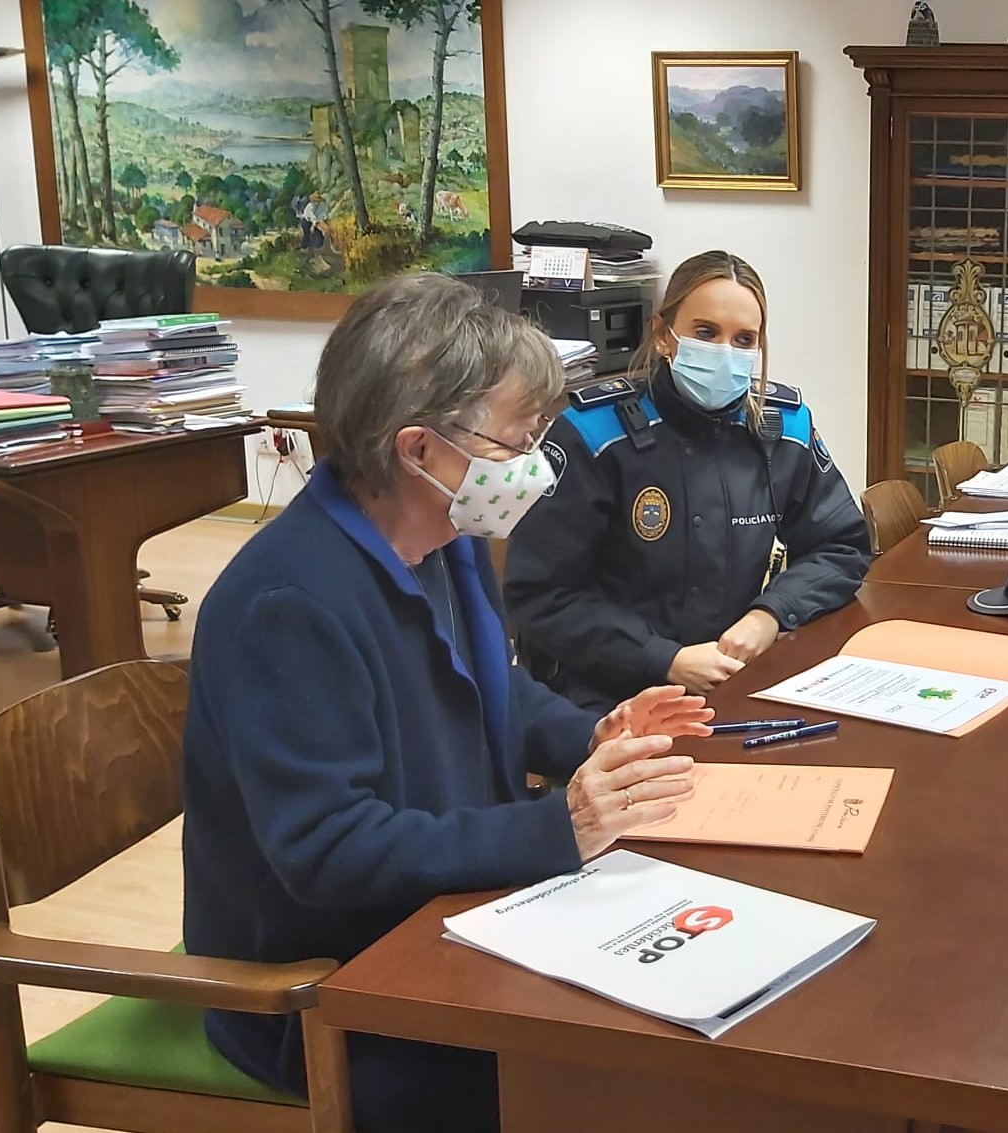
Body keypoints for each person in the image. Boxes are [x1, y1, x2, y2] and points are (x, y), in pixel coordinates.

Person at [181, 273, 714, 1133]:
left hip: (447, 926)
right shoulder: (289, 604)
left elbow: (496, 696)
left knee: (664, 1034)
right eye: (516, 439)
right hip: (324, 995)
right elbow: (327, 851)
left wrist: (596, 734)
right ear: (419, 449)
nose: (535, 463)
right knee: (599, 1082)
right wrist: (559, 827)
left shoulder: (444, 542)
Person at [505, 251, 869, 709]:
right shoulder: (593, 433)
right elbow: (540, 594)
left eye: (744, 339)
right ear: (663, 336)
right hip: (609, 692)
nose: (724, 352)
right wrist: (664, 659)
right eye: (705, 333)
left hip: (732, 677)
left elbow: (841, 546)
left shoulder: (783, 428)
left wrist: (771, 615)